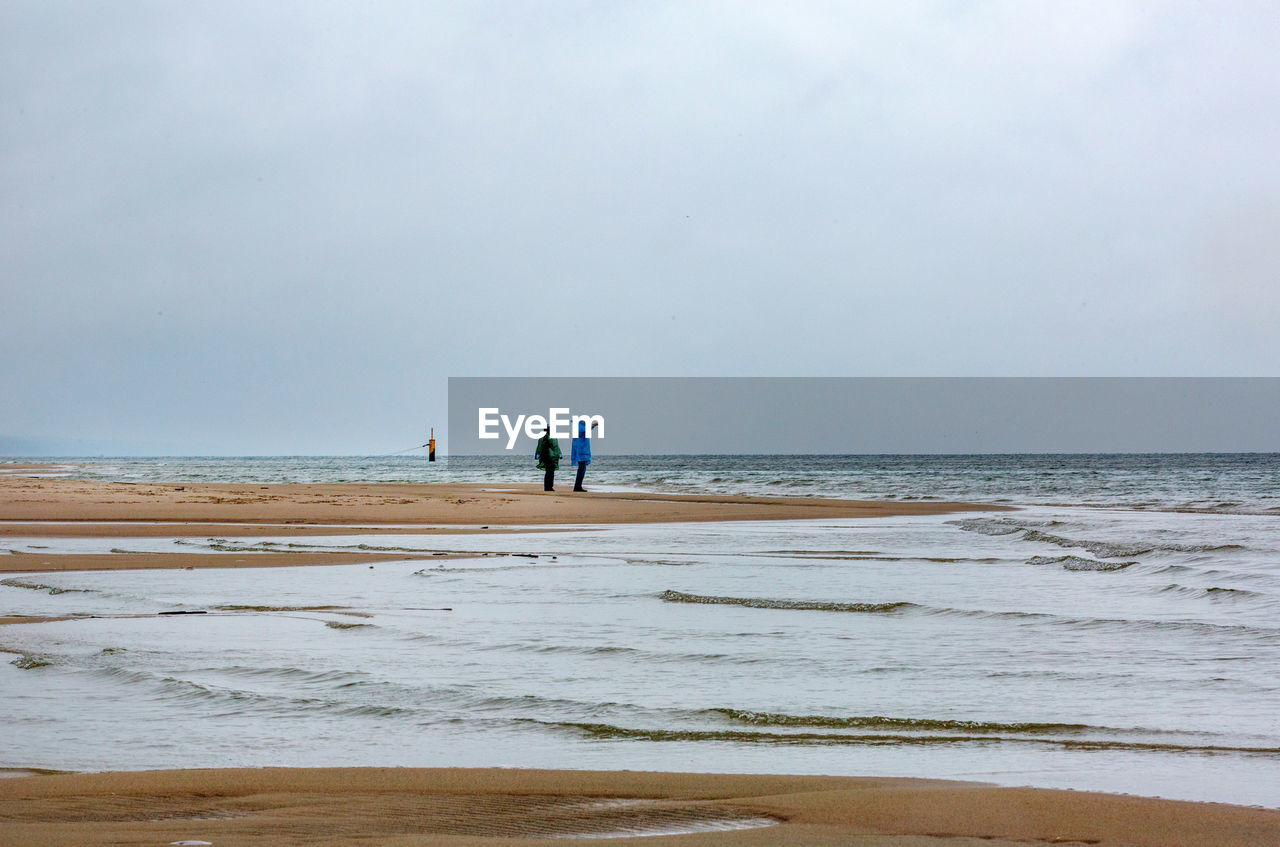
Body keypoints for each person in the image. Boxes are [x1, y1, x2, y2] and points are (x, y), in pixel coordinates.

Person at [570, 420, 597, 492]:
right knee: (581, 470)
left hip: (582, 452)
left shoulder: (580, 428)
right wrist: (593, 425)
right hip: (581, 453)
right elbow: (584, 430)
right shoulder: (580, 428)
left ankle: (578, 486)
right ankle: (577, 487)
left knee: (582, 470)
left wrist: (592, 426)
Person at [534, 427, 561, 491]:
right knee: (550, 472)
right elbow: (555, 447)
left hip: (549, 457)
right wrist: (559, 454)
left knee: (549, 472)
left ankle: (548, 486)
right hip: (549, 456)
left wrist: (537, 454)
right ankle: (548, 487)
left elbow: (556, 447)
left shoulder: (546, 437)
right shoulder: (547, 438)